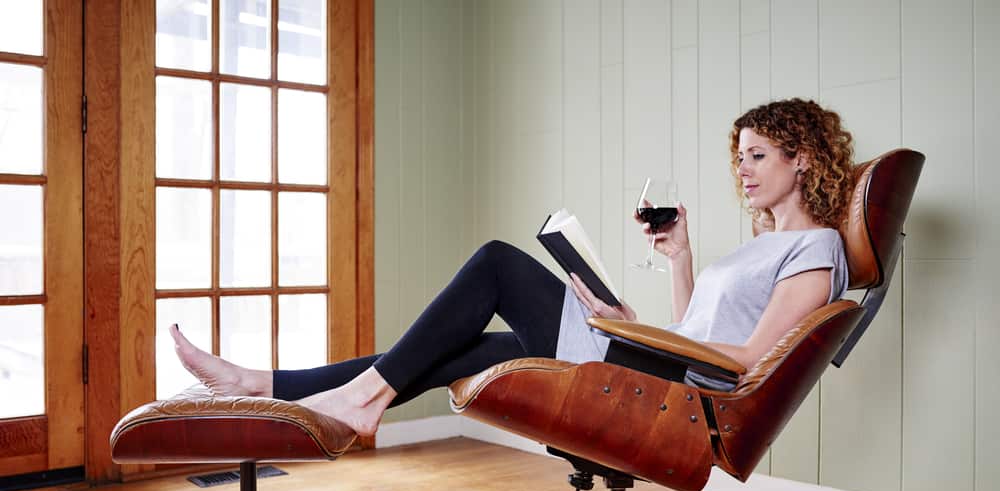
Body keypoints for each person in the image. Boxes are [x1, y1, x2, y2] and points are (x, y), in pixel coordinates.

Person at [170, 97, 853, 441]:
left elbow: (747, 366)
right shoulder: (759, 244)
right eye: (739, 156)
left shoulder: (816, 247)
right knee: (458, 350)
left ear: (802, 159)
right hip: (657, 362)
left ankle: (358, 400)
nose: (743, 168)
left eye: (758, 154)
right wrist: (675, 266)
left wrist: (643, 338)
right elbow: (698, 331)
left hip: (678, 399)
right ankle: (263, 383)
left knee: (498, 263)